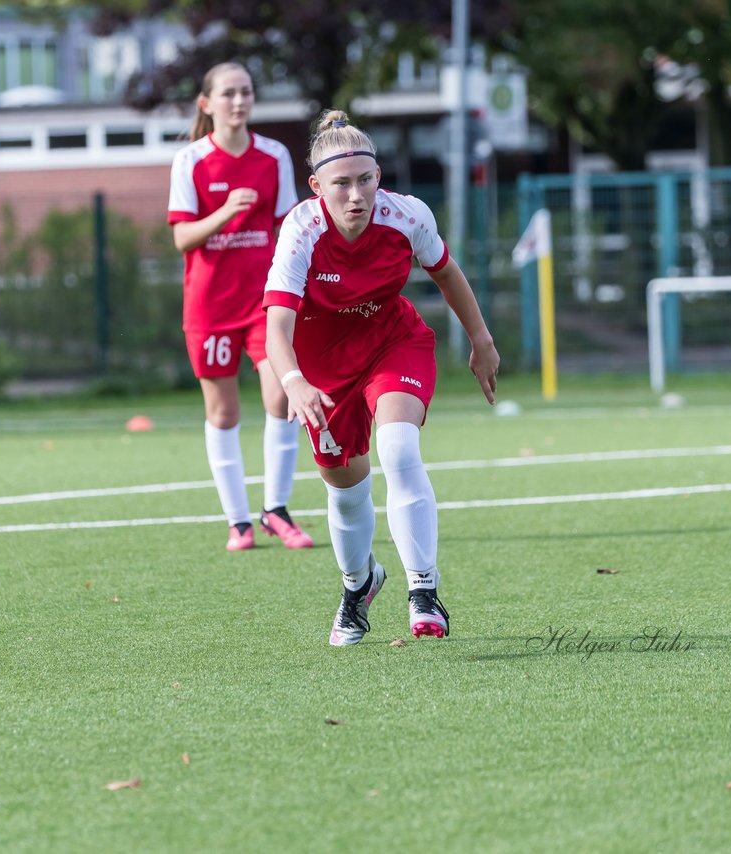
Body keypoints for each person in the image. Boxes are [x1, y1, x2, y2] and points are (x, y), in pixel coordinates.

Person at [263, 110, 499, 645]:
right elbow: (277, 323)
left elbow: (446, 271)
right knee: (346, 491)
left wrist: (481, 340)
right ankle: (359, 583)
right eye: (341, 183)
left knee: (397, 446)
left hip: (394, 344)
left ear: (378, 178)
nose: (356, 195)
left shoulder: (407, 216)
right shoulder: (301, 230)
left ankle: (424, 590)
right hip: (322, 372)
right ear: (316, 185)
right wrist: (295, 381)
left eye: (365, 180)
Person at [167, 62, 314, 553]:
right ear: (206, 103)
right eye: (228, 93)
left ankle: (276, 510)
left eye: (246, 92)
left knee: (282, 398)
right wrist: (227, 210)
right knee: (224, 413)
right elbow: (182, 237)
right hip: (209, 307)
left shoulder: (273, 156)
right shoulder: (190, 161)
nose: (238, 101)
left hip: (262, 304)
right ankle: (239, 522)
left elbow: (290, 229)